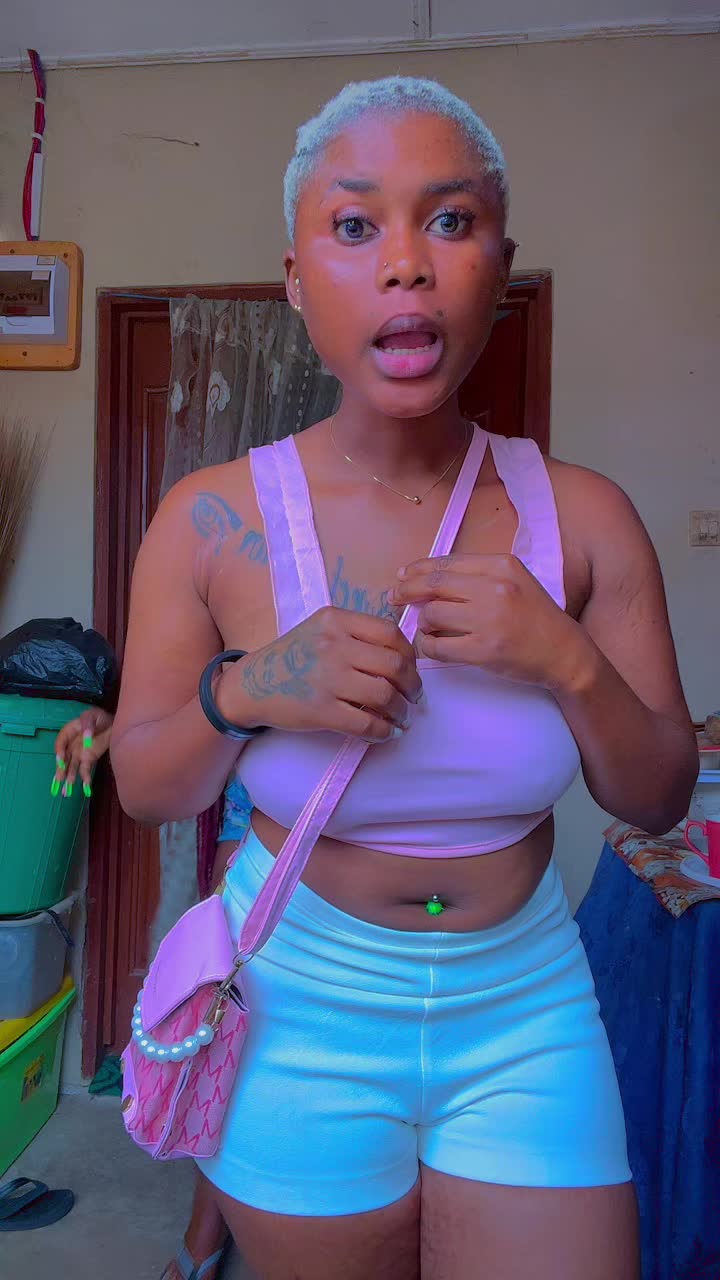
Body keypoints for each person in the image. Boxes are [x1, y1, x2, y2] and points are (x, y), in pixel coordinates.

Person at [111, 76, 697, 1280]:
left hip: (527, 1004)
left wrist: (568, 660)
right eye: (354, 223)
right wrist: (248, 687)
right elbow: (144, 784)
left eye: (450, 219)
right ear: (294, 278)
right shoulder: (209, 520)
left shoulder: (585, 517)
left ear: (500, 265)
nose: (406, 263)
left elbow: (658, 796)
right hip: (301, 1004)